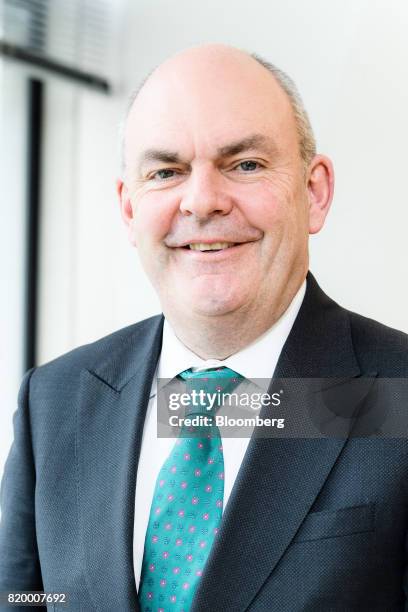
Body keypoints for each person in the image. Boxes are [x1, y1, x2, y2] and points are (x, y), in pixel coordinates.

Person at [1, 43, 407, 612]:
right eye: (166, 172)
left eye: (245, 164)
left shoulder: (398, 397)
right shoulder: (55, 403)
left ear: (314, 193)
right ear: (129, 209)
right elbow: (24, 600)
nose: (203, 201)